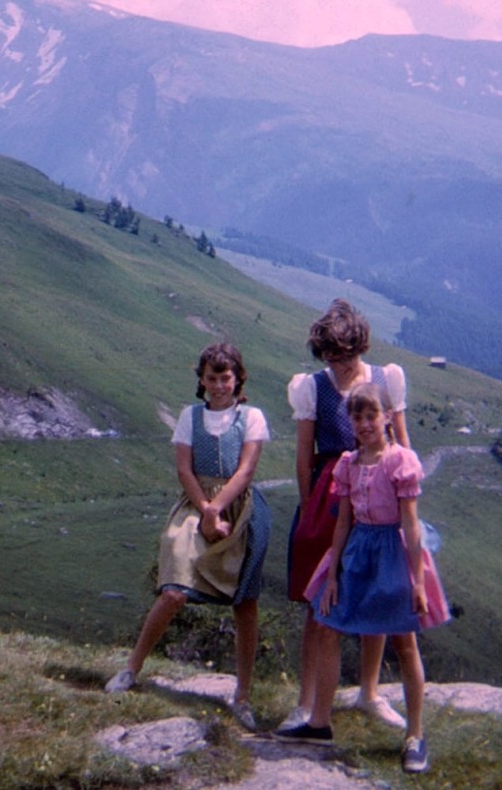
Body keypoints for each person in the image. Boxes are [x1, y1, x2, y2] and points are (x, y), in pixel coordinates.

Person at [280, 382, 449, 774]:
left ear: (387, 417)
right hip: (358, 550)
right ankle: (319, 722)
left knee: (404, 641)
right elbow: (343, 522)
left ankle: (415, 735)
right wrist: (332, 574)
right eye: (357, 417)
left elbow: (410, 523)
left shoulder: (400, 461)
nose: (365, 424)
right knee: (327, 625)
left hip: (393, 553)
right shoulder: (348, 464)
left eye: (372, 415)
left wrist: (417, 580)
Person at [105, 342, 272, 731]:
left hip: (240, 510)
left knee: (245, 603)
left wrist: (219, 509)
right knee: (174, 590)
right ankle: (131, 669)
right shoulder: (189, 417)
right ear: (202, 380)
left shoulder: (251, 417)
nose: (219, 385)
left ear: (238, 379)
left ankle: (242, 695)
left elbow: (246, 471)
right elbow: (184, 469)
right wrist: (206, 510)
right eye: (212, 378)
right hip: (195, 505)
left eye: (226, 378)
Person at [282, 299, 410, 731]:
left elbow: (401, 442)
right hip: (329, 493)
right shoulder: (311, 387)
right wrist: (308, 510)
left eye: (345, 357)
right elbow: (304, 454)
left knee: (375, 588)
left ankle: (369, 693)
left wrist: (405, 499)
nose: (338, 366)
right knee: (319, 597)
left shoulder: (385, 379)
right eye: (330, 358)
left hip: (379, 490)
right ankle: (306, 703)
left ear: (360, 348)